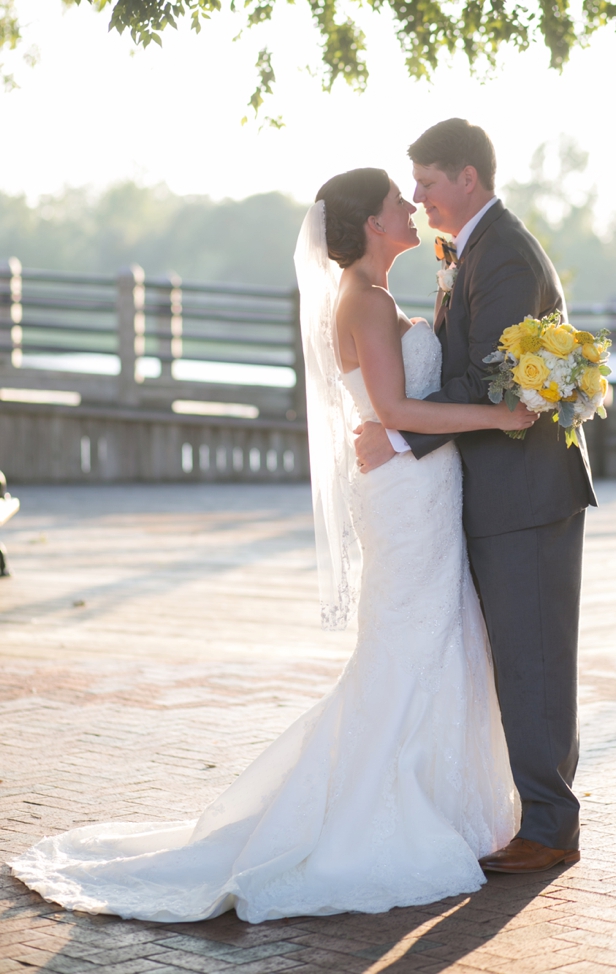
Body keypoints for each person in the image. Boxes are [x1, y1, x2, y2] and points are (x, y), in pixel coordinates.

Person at [10, 166, 535, 923]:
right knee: (409, 644)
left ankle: (443, 801)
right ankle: (378, 814)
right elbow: (392, 407)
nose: (410, 207)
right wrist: (503, 419)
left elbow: (395, 410)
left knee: (435, 637)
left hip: (418, 489)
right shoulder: (368, 302)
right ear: (370, 224)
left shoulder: (376, 297)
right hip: (405, 498)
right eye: (396, 199)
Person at [355, 120, 597, 873]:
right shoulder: (468, 251)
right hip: (494, 491)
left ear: (468, 177)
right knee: (517, 659)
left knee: (534, 661)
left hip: (526, 492)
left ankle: (552, 829)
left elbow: (495, 378)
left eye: (427, 182)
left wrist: (398, 436)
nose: (420, 199)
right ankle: (540, 815)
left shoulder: (508, 255)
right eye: (413, 188)